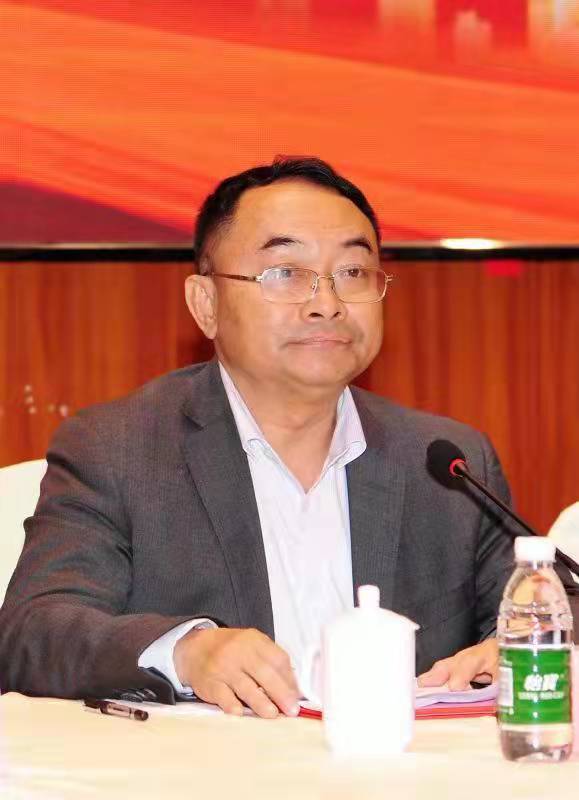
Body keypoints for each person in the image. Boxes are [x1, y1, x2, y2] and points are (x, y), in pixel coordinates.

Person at [0, 157, 516, 718]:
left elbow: (556, 603)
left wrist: (517, 648)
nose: (327, 304)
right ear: (206, 304)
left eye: (353, 272)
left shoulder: (446, 463)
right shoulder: (118, 449)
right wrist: (184, 651)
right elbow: (33, 632)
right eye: (286, 272)